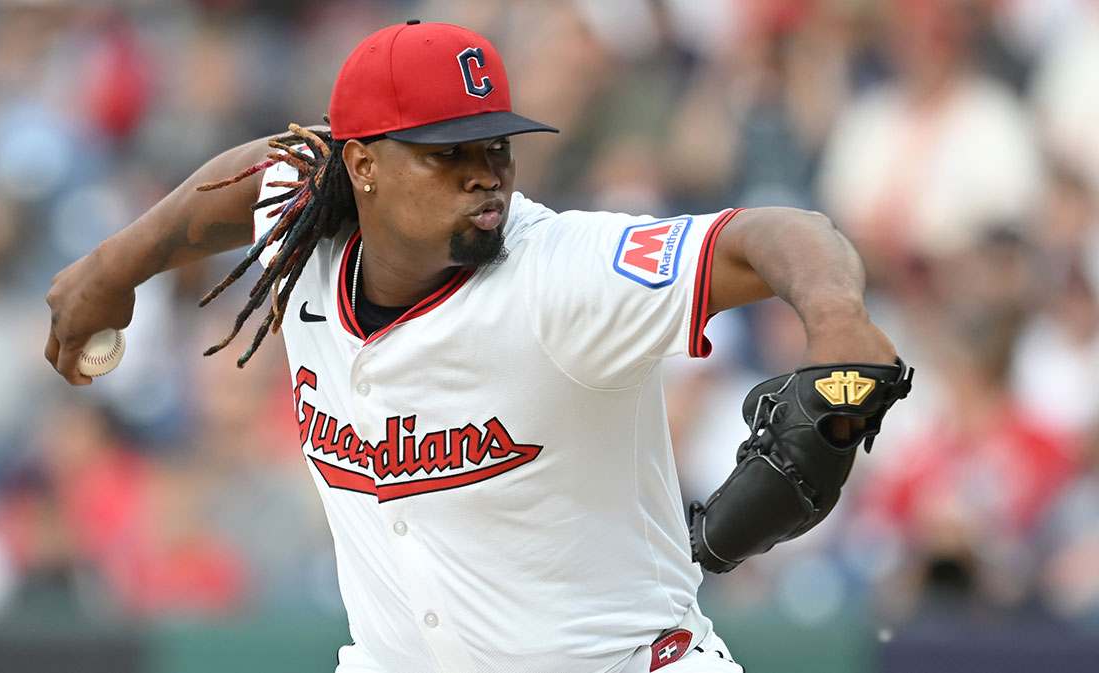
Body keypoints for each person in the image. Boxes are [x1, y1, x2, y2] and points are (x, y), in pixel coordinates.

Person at [45, 20, 901, 673]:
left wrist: (835, 324)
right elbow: (262, 171)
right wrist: (113, 263)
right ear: (364, 165)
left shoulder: (564, 274)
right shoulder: (306, 219)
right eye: (448, 153)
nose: (485, 172)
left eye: (495, 144)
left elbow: (778, 232)